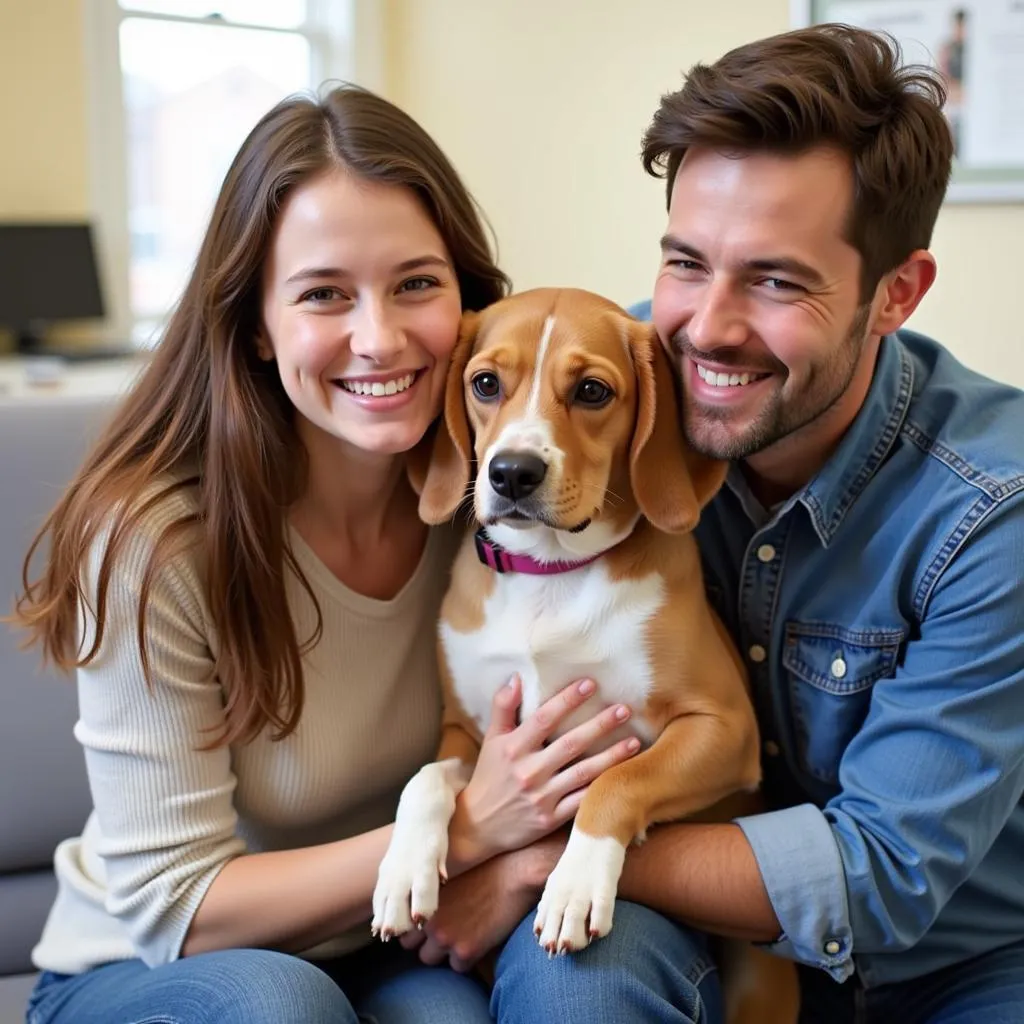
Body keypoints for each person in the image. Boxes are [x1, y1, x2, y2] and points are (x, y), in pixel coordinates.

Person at [407, 24, 1024, 1024]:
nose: (707, 327)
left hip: (954, 966)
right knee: (577, 980)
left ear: (893, 294)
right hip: (700, 925)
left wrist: (533, 855)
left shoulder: (993, 509)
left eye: (775, 280)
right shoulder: (615, 381)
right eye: (685, 263)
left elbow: (882, 875)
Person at [12, 84, 662, 1024]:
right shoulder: (155, 540)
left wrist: (514, 860)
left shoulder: (499, 507)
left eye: (415, 284)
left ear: (471, 306)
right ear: (256, 330)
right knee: (283, 1007)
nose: (380, 337)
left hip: (385, 937)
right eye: (324, 294)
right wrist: (473, 829)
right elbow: (169, 909)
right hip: (150, 966)